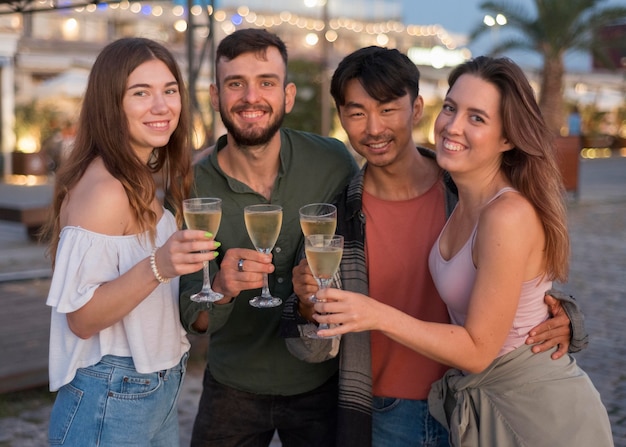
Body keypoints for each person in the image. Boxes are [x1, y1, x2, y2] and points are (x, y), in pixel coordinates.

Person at [282, 47, 588, 446]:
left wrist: (567, 317)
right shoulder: (336, 215)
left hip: (476, 405)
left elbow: (527, 283)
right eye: (357, 113)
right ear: (341, 117)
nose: (374, 128)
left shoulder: (467, 191)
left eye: (388, 109)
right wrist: (306, 304)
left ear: (416, 109)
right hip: (385, 412)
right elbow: (311, 348)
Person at [178, 28, 359, 446]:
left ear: (288, 96)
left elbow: (372, 238)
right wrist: (222, 287)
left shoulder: (331, 161)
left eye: (266, 83)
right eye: (235, 83)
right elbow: (196, 318)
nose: (250, 97)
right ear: (215, 96)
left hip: (322, 383)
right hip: (232, 388)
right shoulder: (192, 187)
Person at [42, 37, 219, 446]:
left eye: (169, 90)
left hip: (152, 389)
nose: (162, 106)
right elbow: (81, 319)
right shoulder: (105, 190)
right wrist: (160, 265)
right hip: (113, 393)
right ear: (111, 103)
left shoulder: (137, 177)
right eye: (141, 93)